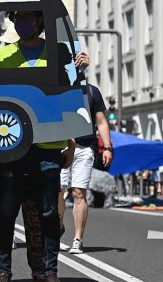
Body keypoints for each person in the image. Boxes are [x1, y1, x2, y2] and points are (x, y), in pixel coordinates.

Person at [0, 10, 89, 282]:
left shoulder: (60, 53)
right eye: (18, 19)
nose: (23, 23)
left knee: (49, 212)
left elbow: (71, 95)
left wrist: (81, 69)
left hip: (48, 145)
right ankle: (2, 270)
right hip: (11, 146)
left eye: (29, 18)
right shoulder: (1, 55)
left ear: (40, 20)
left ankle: (50, 271)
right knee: (6, 212)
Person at [58, 84, 112, 254]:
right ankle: (57, 227)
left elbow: (101, 121)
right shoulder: (56, 86)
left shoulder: (91, 91)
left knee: (79, 192)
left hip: (85, 147)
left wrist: (108, 148)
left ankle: (78, 239)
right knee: (57, 191)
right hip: (60, 146)